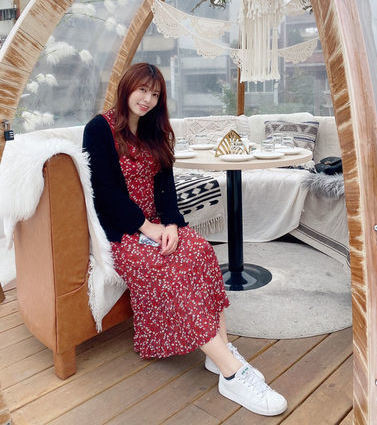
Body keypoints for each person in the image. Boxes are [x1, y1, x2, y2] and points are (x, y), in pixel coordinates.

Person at [83, 62, 287, 417]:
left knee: (201, 251)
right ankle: (233, 374)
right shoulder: (99, 129)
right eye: (142, 90)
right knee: (171, 270)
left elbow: (166, 186)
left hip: (159, 225)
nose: (147, 99)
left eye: (155, 94)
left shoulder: (155, 131)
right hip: (123, 232)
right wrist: (146, 227)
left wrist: (172, 225)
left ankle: (219, 351)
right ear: (126, 87)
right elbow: (105, 193)